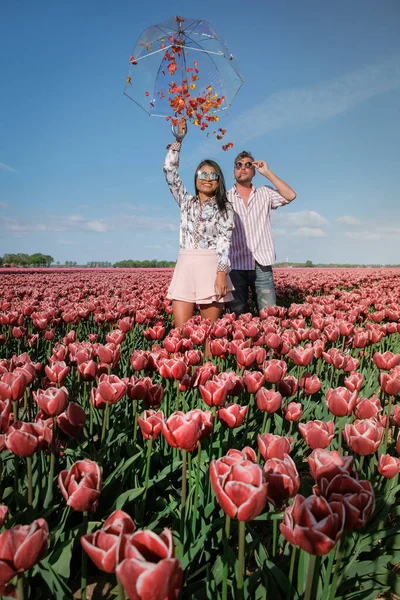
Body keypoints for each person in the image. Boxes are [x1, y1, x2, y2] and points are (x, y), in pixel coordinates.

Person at [164, 116, 235, 328]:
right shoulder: (186, 202)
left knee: (209, 335)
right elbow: (169, 172)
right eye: (202, 173)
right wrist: (179, 140)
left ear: (219, 180)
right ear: (195, 178)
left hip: (211, 265)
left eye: (213, 175)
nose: (207, 178)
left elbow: (225, 241)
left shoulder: (226, 207)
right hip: (185, 263)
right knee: (181, 333)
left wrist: (221, 274)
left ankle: (208, 362)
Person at [227, 150, 296, 315]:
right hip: (235, 264)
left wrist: (267, 172)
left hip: (262, 263)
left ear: (254, 171)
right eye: (238, 165)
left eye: (248, 165)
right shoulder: (225, 197)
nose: (243, 168)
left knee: (269, 314)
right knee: (236, 317)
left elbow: (290, 195)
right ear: (234, 171)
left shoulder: (265, 193)